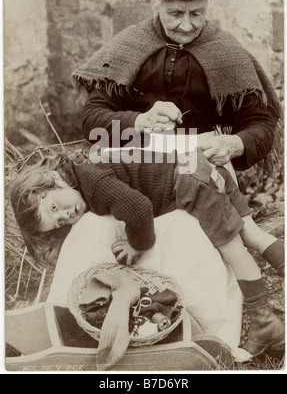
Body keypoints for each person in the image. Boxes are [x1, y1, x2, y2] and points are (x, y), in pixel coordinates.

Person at [10, 147, 284, 356]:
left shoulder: (92, 182)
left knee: (235, 251)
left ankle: (265, 324)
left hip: (192, 180)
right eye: (59, 221)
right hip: (198, 166)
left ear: (52, 180)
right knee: (252, 235)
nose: (67, 215)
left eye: (55, 207)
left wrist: (136, 244)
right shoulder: (83, 169)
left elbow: (139, 208)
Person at [73, 0, 282, 173]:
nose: (186, 25)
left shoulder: (226, 51)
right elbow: (91, 120)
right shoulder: (129, 45)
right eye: (175, 14)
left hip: (202, 168)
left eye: (196, 14)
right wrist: (141, 121)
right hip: (133, 164)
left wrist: (235, 144)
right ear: (156, 3)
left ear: (207, 3)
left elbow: (261, 123)